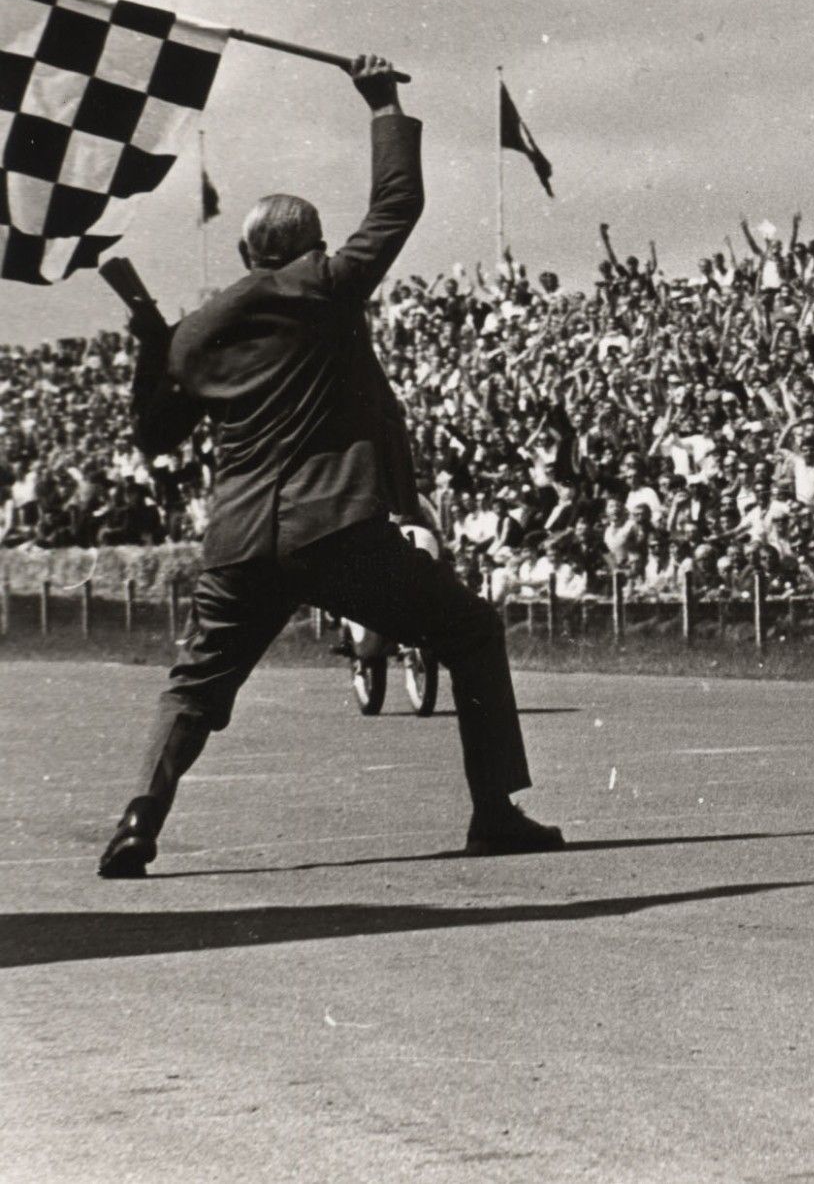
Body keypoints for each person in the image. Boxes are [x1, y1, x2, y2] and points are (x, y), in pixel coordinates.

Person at [94, 56, 563, 879]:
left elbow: (156, 437)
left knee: (194, 688)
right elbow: (398, 204)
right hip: (332, 526)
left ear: (245, 250)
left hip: (239, 539)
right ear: (310, 245)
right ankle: (494, 810)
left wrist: (149, 346)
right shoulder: (328, 288)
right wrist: (382, 101)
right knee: (470, 632)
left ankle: (139, 818)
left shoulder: (199, 333)